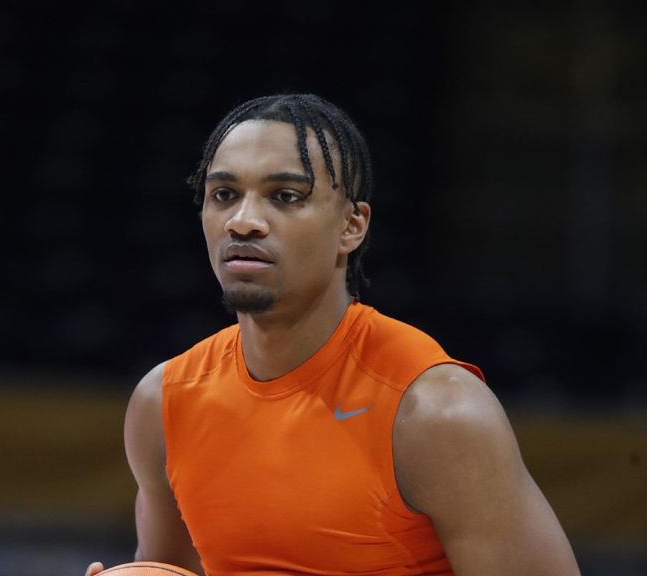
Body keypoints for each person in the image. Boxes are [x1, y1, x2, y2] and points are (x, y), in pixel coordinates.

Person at [86, 94, 580, 575]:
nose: (244, 221)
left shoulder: (435, 413)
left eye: (285, 196)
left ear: (352, 226)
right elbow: (166, 569)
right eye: (224, 195)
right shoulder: (163, 402)